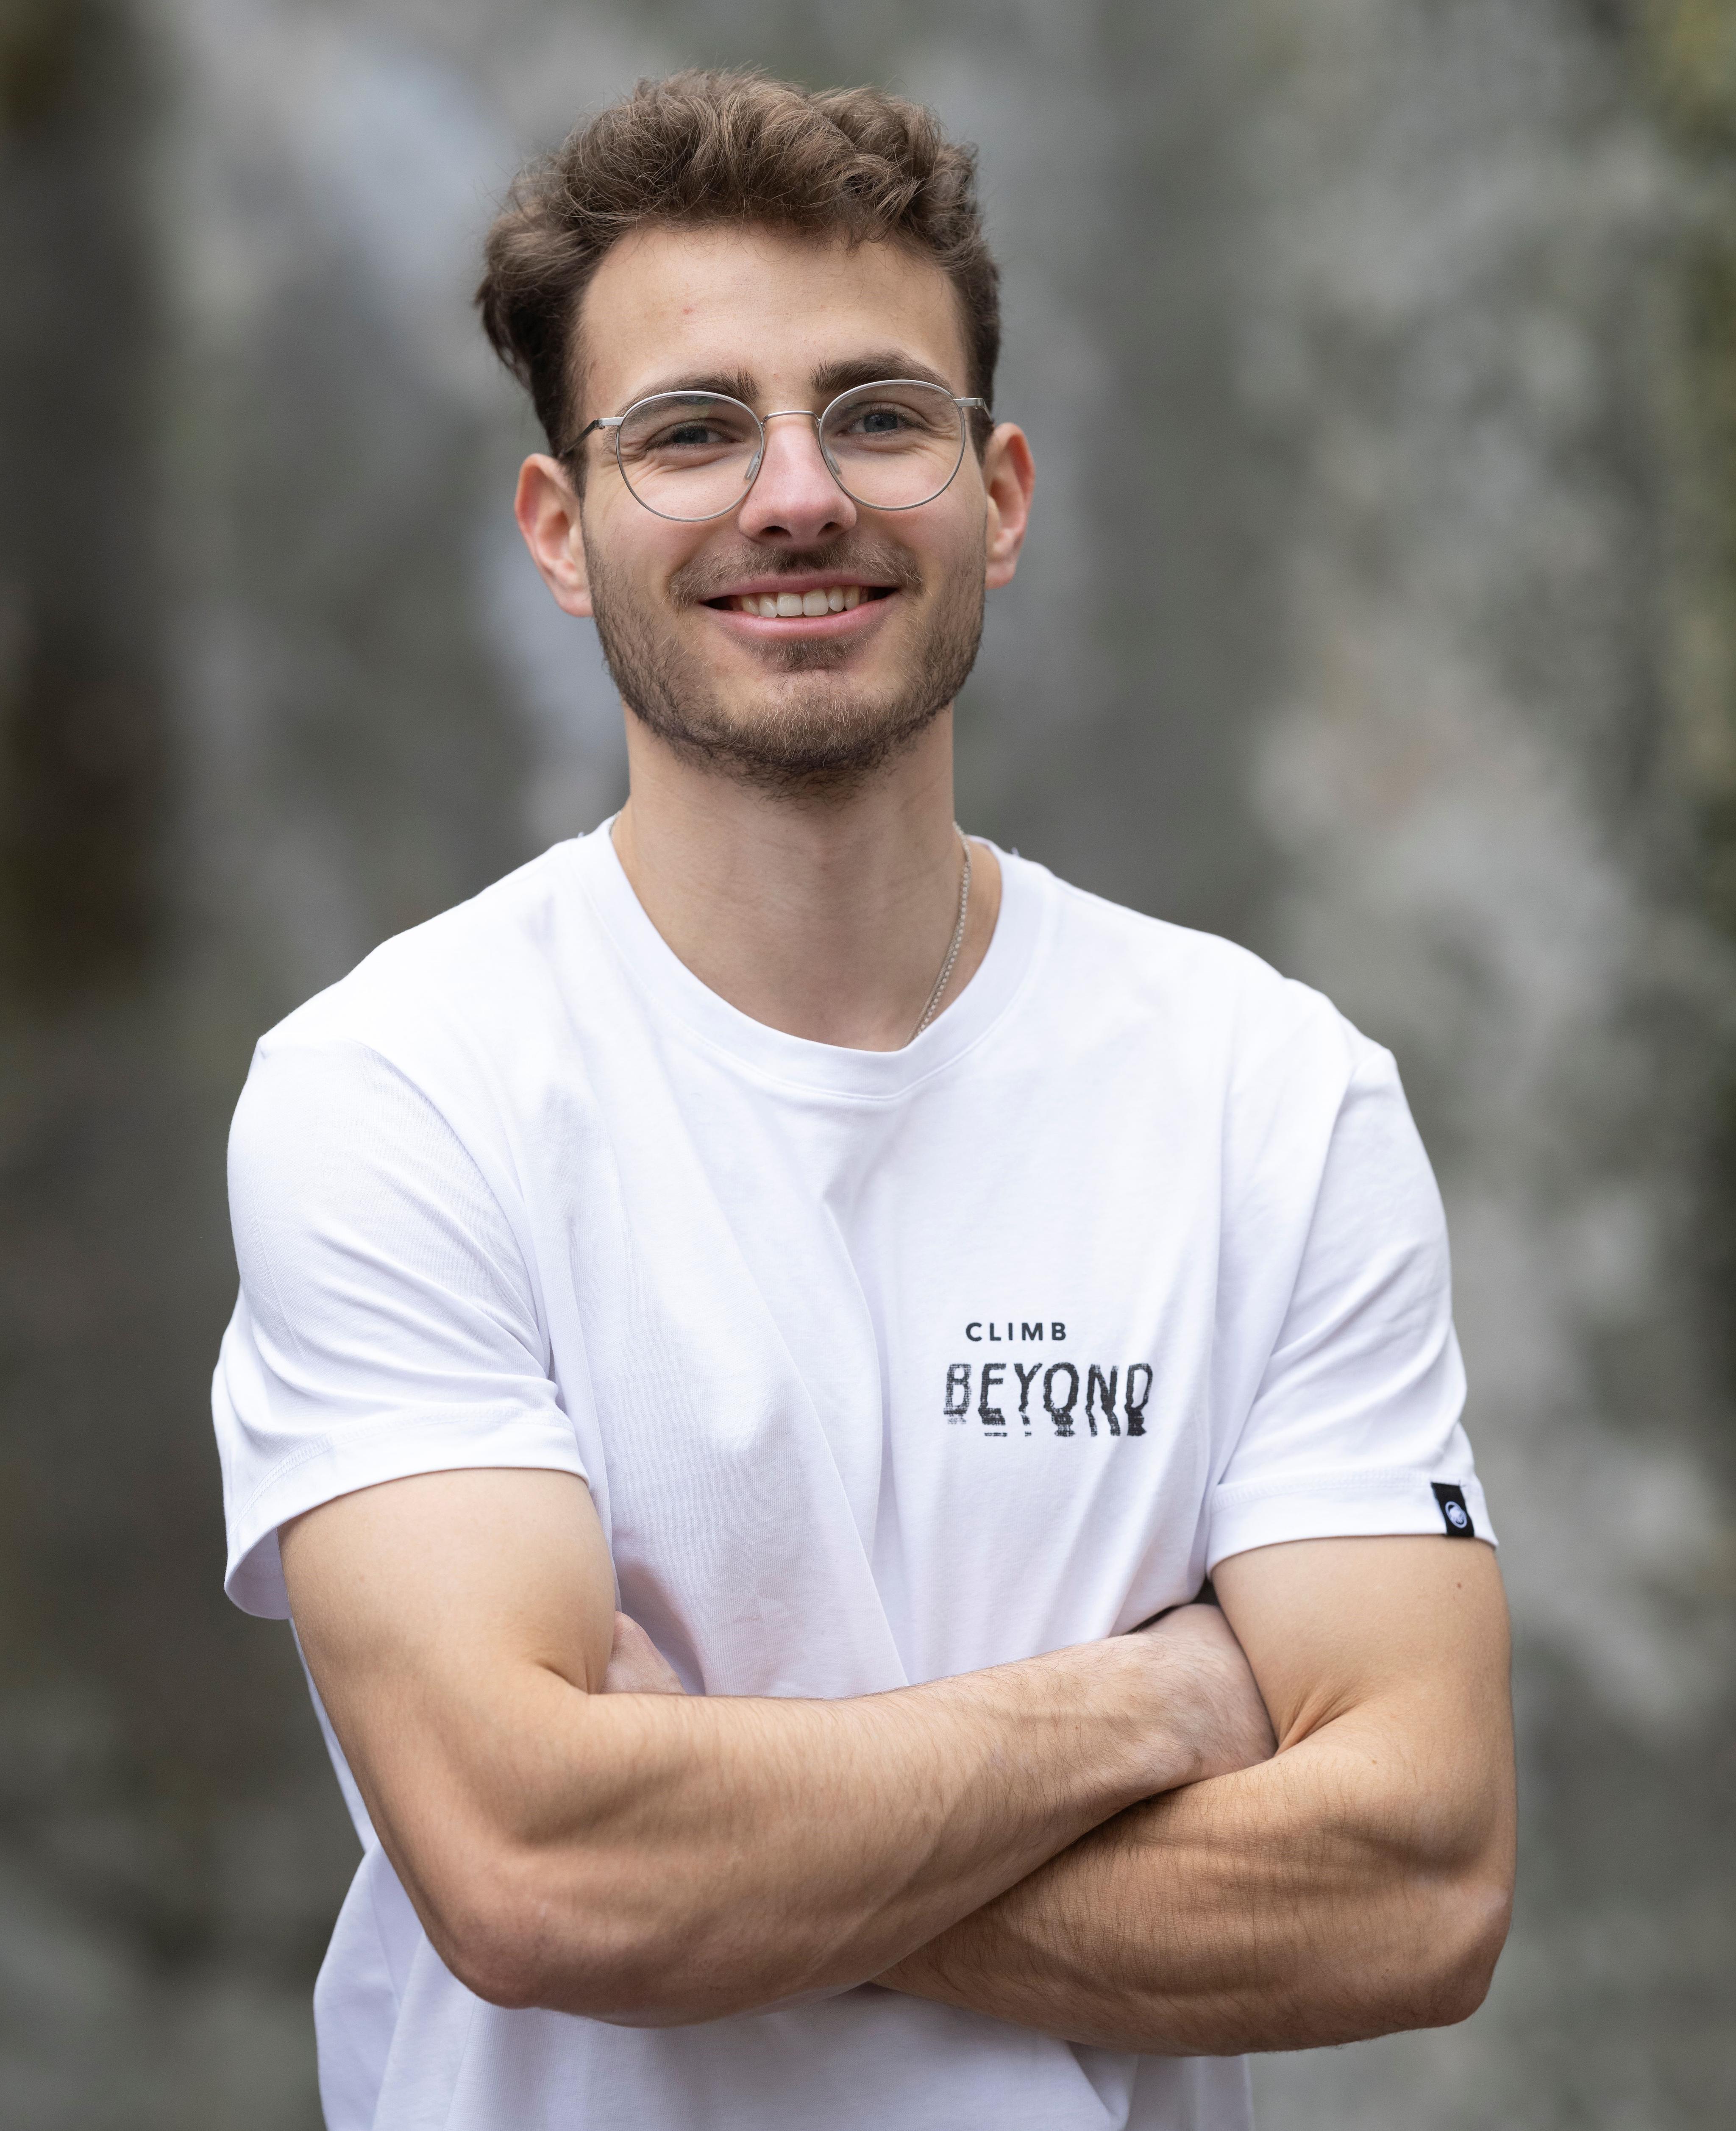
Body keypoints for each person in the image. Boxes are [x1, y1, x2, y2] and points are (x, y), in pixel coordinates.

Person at [210, 68, 1514, 2131]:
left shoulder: (1268, 1098)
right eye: (691, 429)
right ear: (563, 530)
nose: (796, 494)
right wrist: (1147, 1706)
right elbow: (534, 1873)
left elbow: (1421, 1886)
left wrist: (702, 1818)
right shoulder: (401, 1091)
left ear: (996, 491)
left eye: (878, 414)